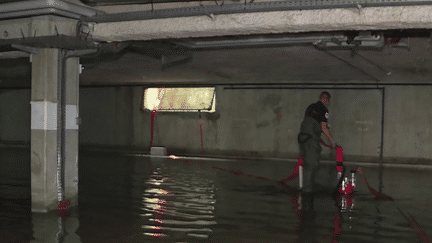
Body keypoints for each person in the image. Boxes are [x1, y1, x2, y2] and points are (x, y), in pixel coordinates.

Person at [297, 91, 336, 194]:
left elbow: (310, 121)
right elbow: (323, 127)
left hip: (302, 137)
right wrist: (332, 140)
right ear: (326, 99)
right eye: (327, 101)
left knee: (307, 161)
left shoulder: (311, 106)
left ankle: (309, 184)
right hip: (311, 139)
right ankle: (307, 190)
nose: (327, 103)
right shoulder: (324, 109)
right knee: (312, 163)